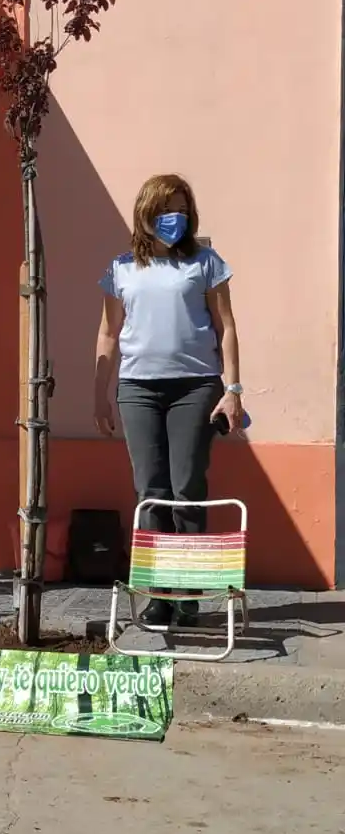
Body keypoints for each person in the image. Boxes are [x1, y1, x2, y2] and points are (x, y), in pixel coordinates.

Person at [94, 173, 244, 629]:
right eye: (163, 210)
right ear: (145, 213)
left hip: (195, 387)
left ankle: (188, 591)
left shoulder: (205, 263)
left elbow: (227, 328)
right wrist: (100, 395)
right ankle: (157, 592)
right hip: (138, 389)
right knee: (150, 492)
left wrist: (233, 390)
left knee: (187, 489)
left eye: (180, 209)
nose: (172, 218)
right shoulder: (121, 269)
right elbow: (107, 333)